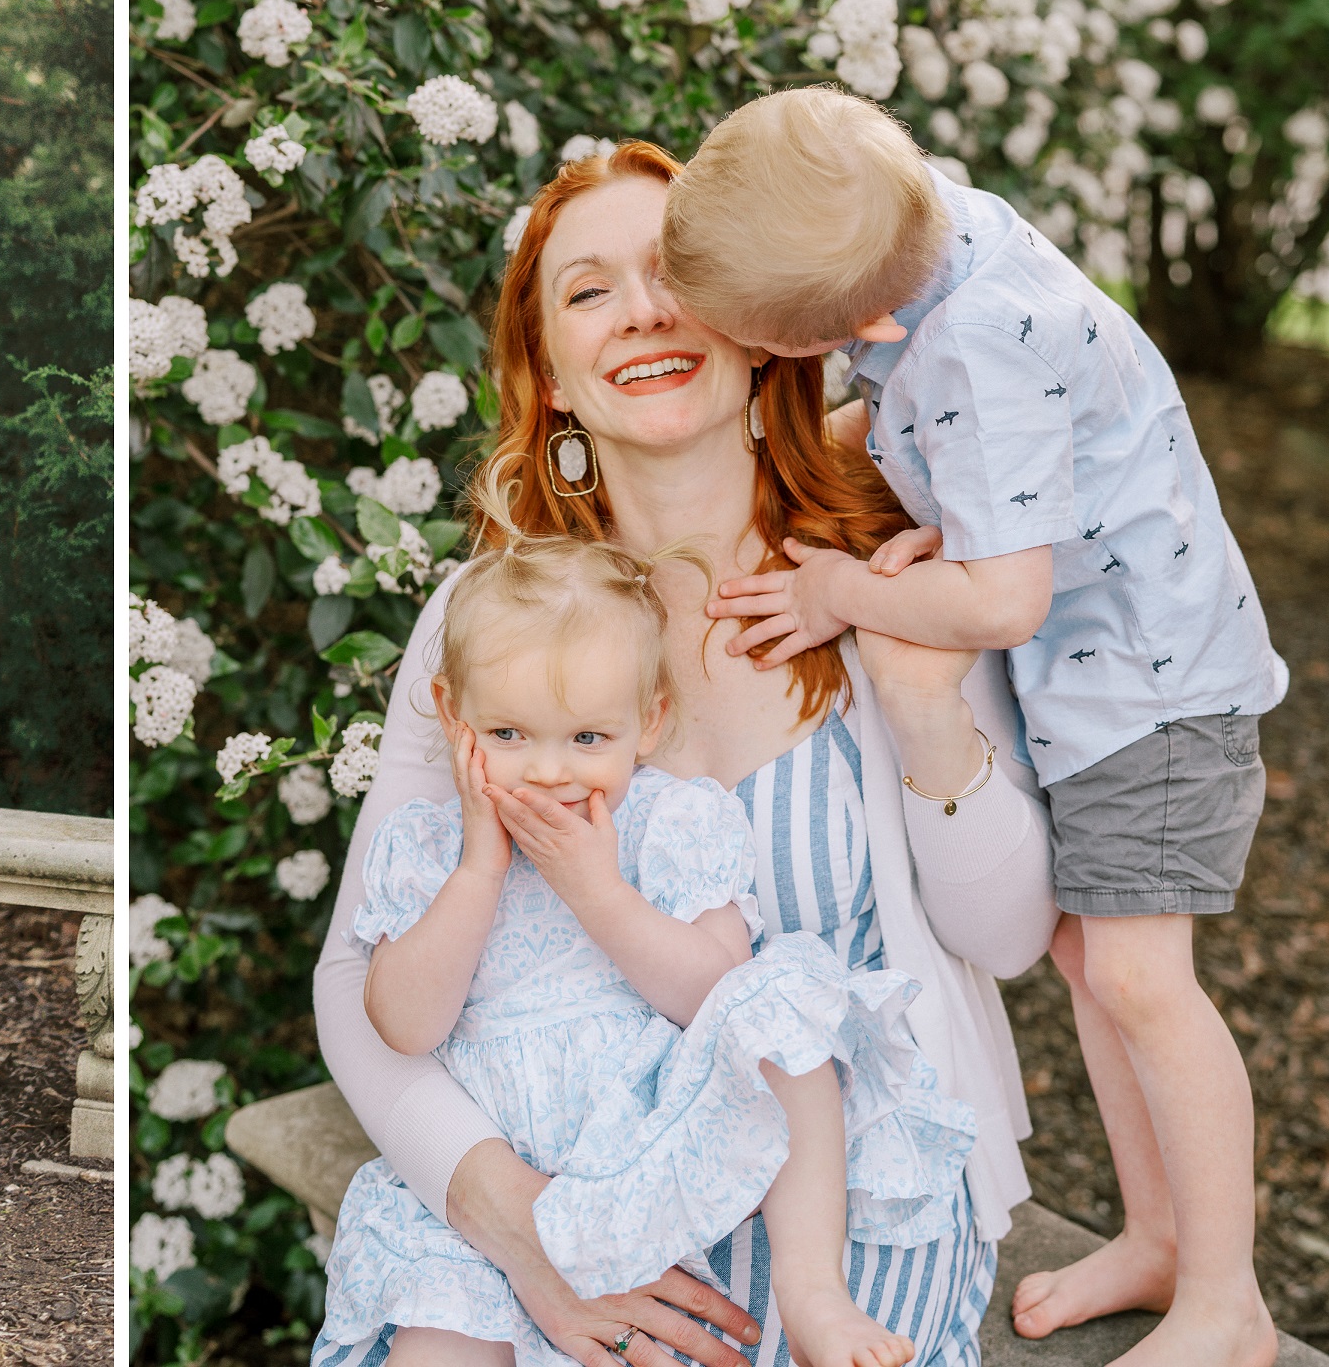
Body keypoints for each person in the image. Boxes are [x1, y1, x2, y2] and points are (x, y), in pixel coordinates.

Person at [315, 142, 1058, 1367]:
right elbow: (360, 983)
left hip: (858, 1232)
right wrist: (520, 1226)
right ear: (548, 375)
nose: (645, 312)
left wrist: (929, 716)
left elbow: (1011, 937)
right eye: (588, 291)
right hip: (555, 1219)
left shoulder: (893, 569)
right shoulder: (485, 619)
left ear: (759, 325)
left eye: (674, 274)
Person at [665, 87, 1285, 1366]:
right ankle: (1161, 1236)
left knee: (1138, 982)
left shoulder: (979, 348)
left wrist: (838, 588)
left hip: (1155, 701)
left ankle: (1230, 1302)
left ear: (873, 322)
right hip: (1109, 686)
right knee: (1085, 962)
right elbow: (901, 418)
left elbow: (1004, 600)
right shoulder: (924, 223)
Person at [319, 535, 973, 1367]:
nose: (548, 772)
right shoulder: (428, 848)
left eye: (588, 738)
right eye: (509, 733)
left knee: (780, 1007)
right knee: (434, 1346)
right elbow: (401, 1026)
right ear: (454, 718)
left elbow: (716, 993)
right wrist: (479, 870)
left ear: (647, 722)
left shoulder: (669, 824)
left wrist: (599, 893)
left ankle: (814, 1297)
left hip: (639, 1141)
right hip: (493, 1172)